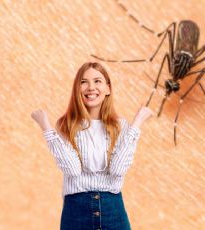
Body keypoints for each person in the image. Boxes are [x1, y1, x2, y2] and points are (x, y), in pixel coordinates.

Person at [31, 62, 153, 230]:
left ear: (108, 88)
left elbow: (118, 169)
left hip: (113, 210)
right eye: (84, 82)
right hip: (76, 211)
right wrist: (46, 128)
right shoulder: (66, 125)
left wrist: (137, 123)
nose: (91, 87)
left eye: (97, 81)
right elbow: (72, 169)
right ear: (77, 88)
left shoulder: (121, 126)